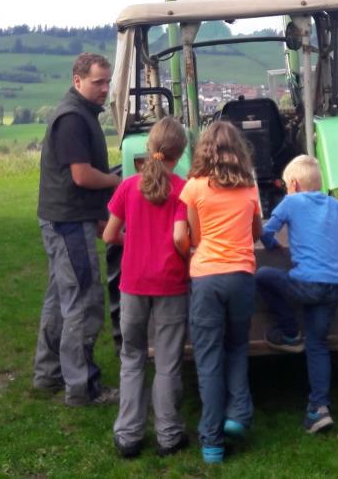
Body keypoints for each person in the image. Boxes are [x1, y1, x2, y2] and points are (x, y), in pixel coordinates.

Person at [33, 52, 121, 407]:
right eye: (98, 82)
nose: (105, 89)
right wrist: (117, 182)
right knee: (83, 303)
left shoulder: (81, 113)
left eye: (107, 82)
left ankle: (48, 374)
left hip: (65, 218)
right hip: (68, 223)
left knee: (59, 300)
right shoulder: (72, 118)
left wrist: (99, 217)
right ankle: (83, 388)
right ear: (77, 80)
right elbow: (82, 176)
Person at [103, 116, 191, 459]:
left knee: (132, 357)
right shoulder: (182, 189)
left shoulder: (128, 187)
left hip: (133, 284)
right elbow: (181, 237)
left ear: (150, 147)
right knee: (168, 362)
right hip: (170, 283)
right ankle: (169, 434)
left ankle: (128, 434)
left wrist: (134, 239)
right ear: (179, 153)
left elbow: (109, 234)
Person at [255, 155, 338, 434]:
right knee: (317, 345)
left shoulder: (290, 202)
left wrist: (272, 245)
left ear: (293, 184)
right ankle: (318, 409)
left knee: (263, 276)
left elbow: (265, 231)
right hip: (334, 286)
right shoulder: (332, 203)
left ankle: (290, 333)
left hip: (305, 284)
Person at [179, 121, 262, 464]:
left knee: (209, 358)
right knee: (237, 347)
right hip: (241, 275)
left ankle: (212, 443)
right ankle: (238, 415)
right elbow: (256, 232)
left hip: (207, 277)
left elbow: (195, 236)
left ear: (204, 150)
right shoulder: (249, 187)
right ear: (238, 151)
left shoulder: (194, 188)